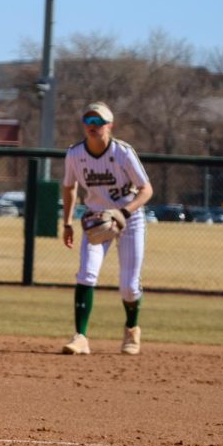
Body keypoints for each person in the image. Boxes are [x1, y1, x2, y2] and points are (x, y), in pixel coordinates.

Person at [60, 102, 154, 355]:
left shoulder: (123, 152)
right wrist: (67, 222)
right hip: (96, 219)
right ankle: (80, 337)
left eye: (99, 122)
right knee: (86, 274)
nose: (93, 126)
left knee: (129, 286)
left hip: (128, 218)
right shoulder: (75, 154)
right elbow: (69, 187)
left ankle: (132, 330)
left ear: (109, 126)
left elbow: (146, 189)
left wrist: (125, 212)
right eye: (89, 122)